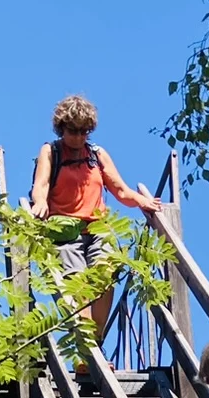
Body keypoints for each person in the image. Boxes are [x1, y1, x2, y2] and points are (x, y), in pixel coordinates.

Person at [30, 95, 159, 345]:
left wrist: (144, 202)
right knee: (77, 287)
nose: (78, 137)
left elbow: (120, 190)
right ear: (62, 127)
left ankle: (95, 342)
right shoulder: (51, 151)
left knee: (105, 276)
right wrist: (40, 203)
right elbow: (41, 184)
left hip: (98, 228)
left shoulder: (96, 155)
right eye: (73, 131)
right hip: (65, 231)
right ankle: (85, 348)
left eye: (84, 131)